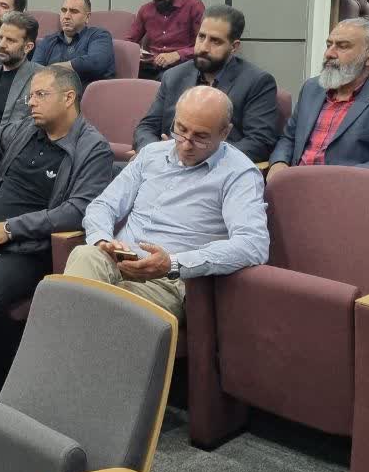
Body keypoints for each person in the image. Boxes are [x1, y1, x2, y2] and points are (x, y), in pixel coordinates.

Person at [0, 65, 114, 394]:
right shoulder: (26, 129)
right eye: (30, 96)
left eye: (41, 95)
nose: (31, 103)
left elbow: (77, 210)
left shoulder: (93, 148)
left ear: (68, 98)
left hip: (27, 249)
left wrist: (11, 228)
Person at [64, 86, 269, 322]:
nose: (186, 144)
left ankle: (67, 339)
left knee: (106, 309)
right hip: (119, 260)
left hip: (167, 281)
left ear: (225, 133)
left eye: (200, 137)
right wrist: (103, 241)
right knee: (85, 255)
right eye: (180, 130)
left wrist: (173, 263)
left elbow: (253, 244)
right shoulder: (151, 154)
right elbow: (103, 205)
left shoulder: (239, 174)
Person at [267, 17, 369, 178]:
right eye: (329, 45)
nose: (329, 53)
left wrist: (350, 176)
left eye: (342, 46)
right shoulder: (312, 88)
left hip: (349, 188)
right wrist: (279, 162)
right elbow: (289, 138)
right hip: (295, 184)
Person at [132, 4, 279, 163]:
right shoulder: (174, 76)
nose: (204, 47)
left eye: (215, 41)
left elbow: (259, 143)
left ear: (234, 47)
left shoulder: (257, 82)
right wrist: (155, 153)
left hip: (217, 169)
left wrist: (198, 154)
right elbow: (146, 128)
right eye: (201, 37)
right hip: (165, 164)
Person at [128, 0, 204, 81]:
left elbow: (203, 45)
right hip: (150, 65)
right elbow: (129, 40)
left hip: (182, 65)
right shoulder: (145, 10)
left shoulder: (194, 7)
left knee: (166, 78)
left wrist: (177, 55)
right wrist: (135, 52)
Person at [32, 0, 115, 85]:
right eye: (64, 10)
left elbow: (96, 62)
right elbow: (35, 71)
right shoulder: (48, 41)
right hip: (50, 92)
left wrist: (55, 69)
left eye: (74, 11)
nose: (66, 16)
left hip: (88, 93)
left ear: (87, 17)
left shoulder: (99, 35)